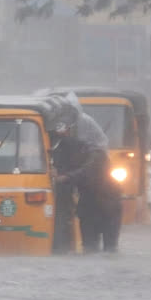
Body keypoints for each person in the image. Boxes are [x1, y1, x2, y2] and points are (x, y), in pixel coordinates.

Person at [50, 103, 122, 253]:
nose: (67, 133)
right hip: (88, 206)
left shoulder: (97, 154)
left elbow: (88, 171)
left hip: (107, 206)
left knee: (109, 248)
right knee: (89, 248)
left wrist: (65, 177)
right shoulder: (69, 147)